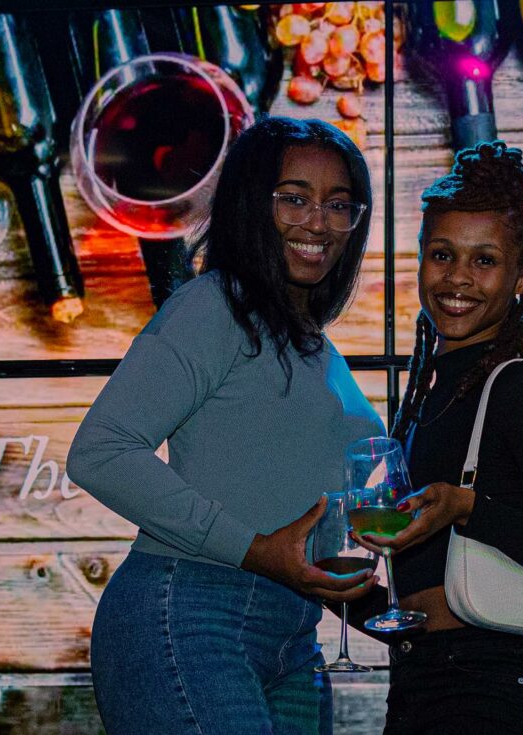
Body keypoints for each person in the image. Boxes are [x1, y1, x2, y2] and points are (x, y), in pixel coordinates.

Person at [66, 116, 385, 735]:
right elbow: (100, 452)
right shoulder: (214, 308)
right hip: (190, 613)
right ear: (248, 204)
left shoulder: (315, 346)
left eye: (338, 204)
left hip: (295, 638)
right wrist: (253, 549)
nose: (318, 221)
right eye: (294, 198)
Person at [352, 141, 523, 734]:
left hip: (498, 691)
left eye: (485, 261)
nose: (457, 279)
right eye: (441, 255)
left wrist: (469, 507)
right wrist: (330, 585)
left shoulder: (519, 392)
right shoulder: (425, 399)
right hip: (422, 683)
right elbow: (423, 604)